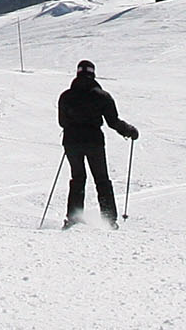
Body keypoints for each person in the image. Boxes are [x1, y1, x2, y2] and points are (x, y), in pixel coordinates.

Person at [57, 59, 137, 227]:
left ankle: (73, 218)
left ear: (77, 73)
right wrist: (129, 131)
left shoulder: (66, 96)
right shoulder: (102, 96)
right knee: (101, 179)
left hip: (71, 142)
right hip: (94, 142)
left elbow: (62, 122)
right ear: (93, 74)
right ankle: (109, 220)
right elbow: (113, 121)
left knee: (77, 178)